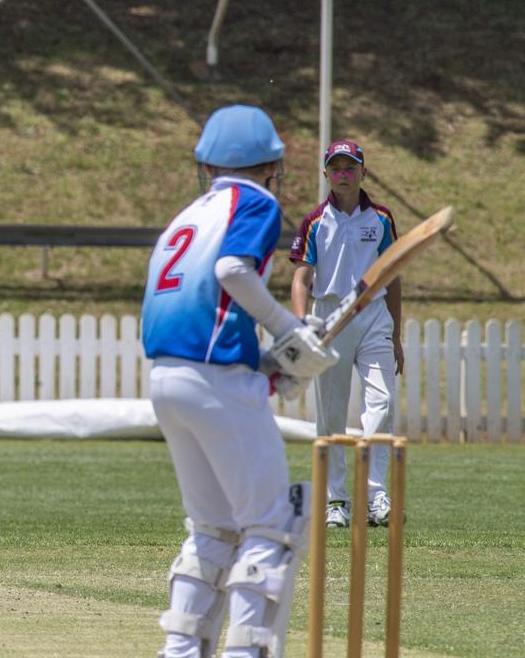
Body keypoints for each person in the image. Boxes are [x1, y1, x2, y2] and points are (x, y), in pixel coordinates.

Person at [141, 105, 339, 658]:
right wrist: (288, 328)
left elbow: (202, 304)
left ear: (205, 163)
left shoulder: (185, 217)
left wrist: (267, 361)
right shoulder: (254, 201)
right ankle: (244, 652)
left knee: (212, 527)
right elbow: (233, 271)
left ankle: (180, 651)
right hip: (214, 378)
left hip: (166, 377)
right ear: (272, 164)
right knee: (270, 524)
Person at [289, 140, 402, 529]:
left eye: (350, 167)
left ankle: (375, 495)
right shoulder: (315, 221)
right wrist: (305, 326)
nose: (343, 173)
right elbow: (301, 278)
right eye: (335, 168)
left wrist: (397, 336)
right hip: (330, 315)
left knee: (383, 403)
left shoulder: (382, 219)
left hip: (373, 314)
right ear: (326, 174)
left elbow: (393, 277)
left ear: (363, 172)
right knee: (332, 413)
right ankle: (335, 499)